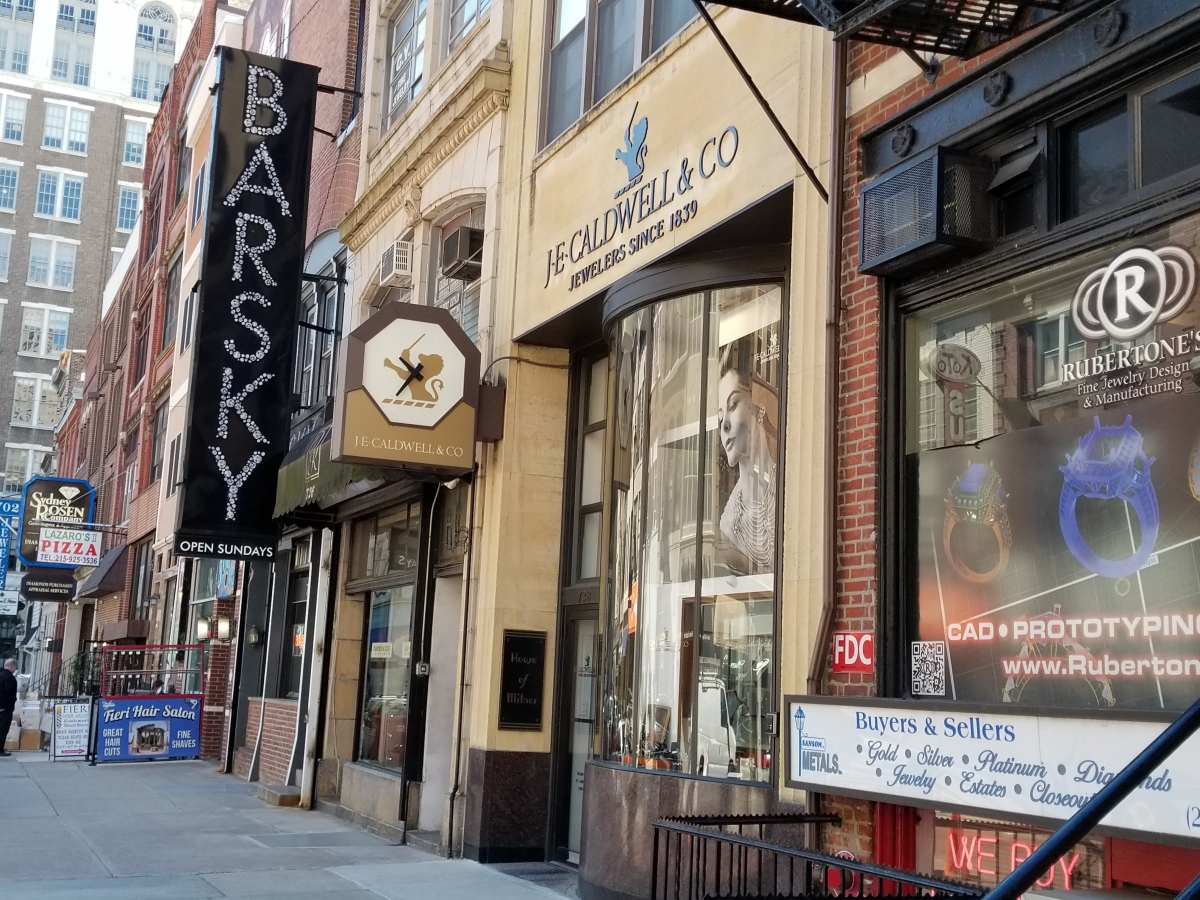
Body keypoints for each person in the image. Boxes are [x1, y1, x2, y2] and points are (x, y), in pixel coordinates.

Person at [716, 340, 778, 575]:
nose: (724, 425)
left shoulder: (787, 483)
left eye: (733, 405)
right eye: (719, 418)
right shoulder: (729, 526)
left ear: (755, 407)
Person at [0, 658, 17, 757]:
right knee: (3, 729)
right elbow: (9, 693)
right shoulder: (10, 678)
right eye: (15, 667)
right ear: (12, 666)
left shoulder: (1, 675)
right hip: (5, 707)